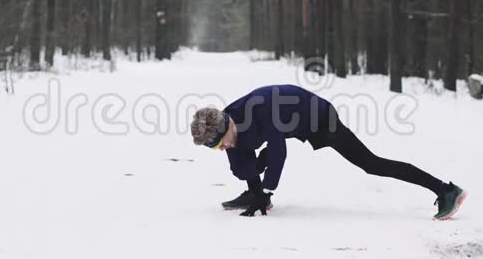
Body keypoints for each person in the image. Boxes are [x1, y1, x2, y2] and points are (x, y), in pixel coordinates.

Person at [190, 85, 467, 219]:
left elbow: (279, 153)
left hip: (319, 117)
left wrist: (266, 191)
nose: (220, 148)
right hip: (291, 123)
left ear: (226, 125)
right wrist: (255, 188)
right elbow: (240, 162)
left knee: (371, 164)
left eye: (218, 142)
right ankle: (255, 193)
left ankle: (444, 190)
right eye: (214, 147)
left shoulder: (261, 109)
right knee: (241, 163)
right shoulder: (226, 125)